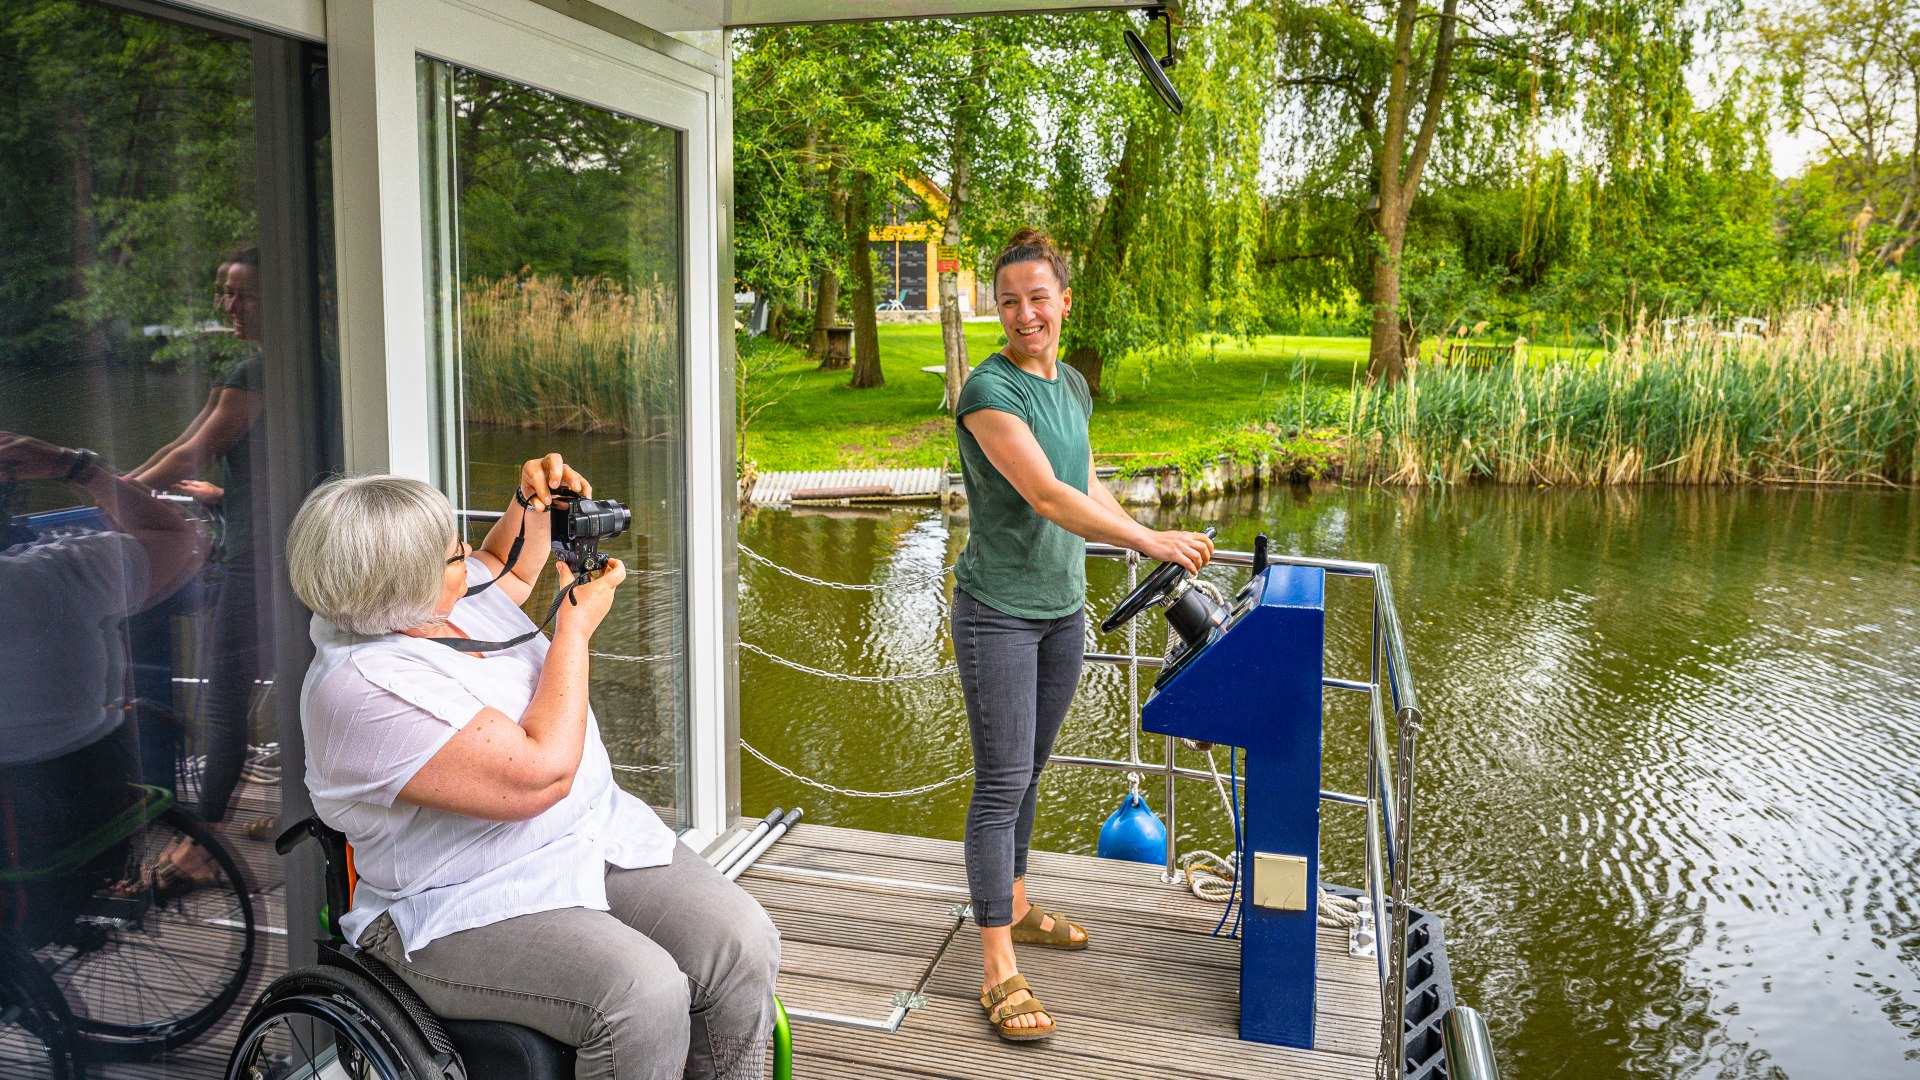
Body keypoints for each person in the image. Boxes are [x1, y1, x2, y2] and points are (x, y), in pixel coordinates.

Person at [286, 458, 779, 1080]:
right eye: (451, 556)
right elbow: (542, 776)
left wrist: (530, 504)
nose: (467, 556)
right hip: (458, 902)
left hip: (590, 839)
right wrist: (574, 631)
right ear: (399, 587)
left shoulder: (448, 600)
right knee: (642, 997)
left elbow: (510, 568)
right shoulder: (359, 690)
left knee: (740, 943)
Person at [952, 228, 1213, 1041]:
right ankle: (997, 966)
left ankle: (1018, 906)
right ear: (997, 311)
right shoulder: (987, 393)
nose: (1025, 314)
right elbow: (1045, 496)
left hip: (1062, 609)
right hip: (997, 609)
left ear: (1065, 301)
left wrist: (1143, 529)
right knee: (999, 783)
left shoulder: (1069, 386)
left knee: (1028, 771)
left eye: (1039, 298)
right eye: (1009, 302)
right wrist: (1151, 544)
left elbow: (1085, 480)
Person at [0, 434, 204, 939]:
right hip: (98, 811)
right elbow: (172, 535)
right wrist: (75, 466)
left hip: (22, 845)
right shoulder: (61, 573)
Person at [126, 245, 271, 840]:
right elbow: (183, 449)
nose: (230, 304)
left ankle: (202, 841)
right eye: (224, 291)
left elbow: (191, 452)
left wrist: (106, 495)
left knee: (222, 702)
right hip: (288, 553)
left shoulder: (255, 372)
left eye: (244, 294)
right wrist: (120, 488)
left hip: (258, 560)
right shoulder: (277, 363)